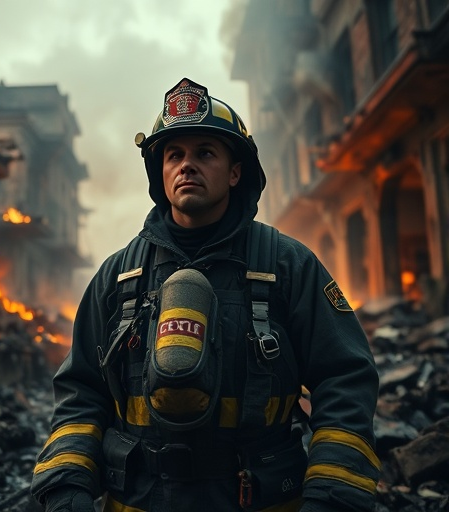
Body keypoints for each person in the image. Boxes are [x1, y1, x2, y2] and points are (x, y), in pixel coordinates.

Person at [31, 78, 380, 512]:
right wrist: (67, 487)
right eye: (174, 155)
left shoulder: (287, 266)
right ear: (160, 173)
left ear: (235, 172)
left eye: (205, 153)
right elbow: (81, 393)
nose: (186, 165)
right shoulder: (119, 276)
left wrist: (333, 493)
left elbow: (345, 380)